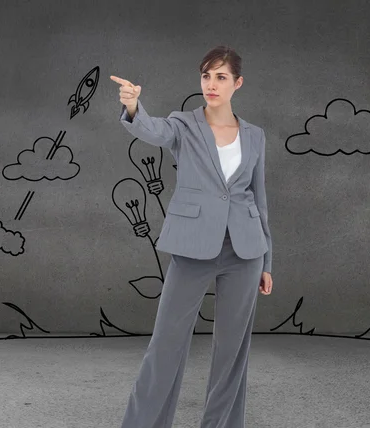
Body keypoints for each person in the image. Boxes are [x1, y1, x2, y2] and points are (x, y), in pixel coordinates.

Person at [110, 45, 272, 428]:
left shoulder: (255, 136)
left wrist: (267, 262)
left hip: (245, 251)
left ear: (237, 83)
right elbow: (151, 130)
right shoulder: (183, 125)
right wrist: (133, 105)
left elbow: (259, 199)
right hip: (192, 246)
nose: (211, 84)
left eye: (220, 77)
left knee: (232, 352)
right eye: (206, 76)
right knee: (166, 344)